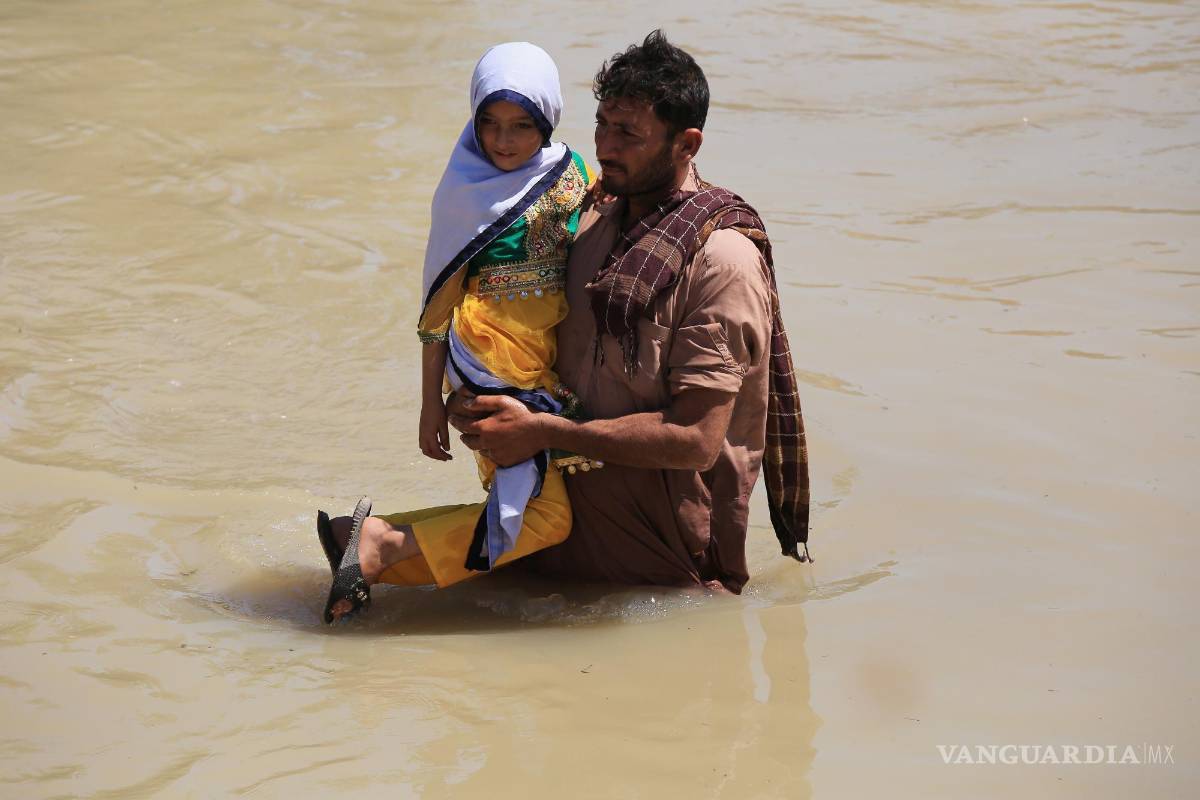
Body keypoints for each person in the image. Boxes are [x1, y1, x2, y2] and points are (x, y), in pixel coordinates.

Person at [320, 30, 811, 622]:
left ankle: (374, 541)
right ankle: (368, 543)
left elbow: (696, 440)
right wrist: (471, 396)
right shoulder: (584, 222)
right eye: (601, 124)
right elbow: (509, 323)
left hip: (661, 580)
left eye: (628, 133)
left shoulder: (721, 265)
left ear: (687, 144)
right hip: (552, 557)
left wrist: (543, 431)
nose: (605, 145)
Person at [320, 42, 594, 623]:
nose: (503, 140)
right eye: (490, 123)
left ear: (548, 121)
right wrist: (429, 404)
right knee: (545, 518)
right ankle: (379, 548)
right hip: (489, 368)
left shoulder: (573, 174)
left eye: (522, 126)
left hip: (542, 370)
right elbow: (435, 315)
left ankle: (365, 538)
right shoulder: (462, 193)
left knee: (519, 506)